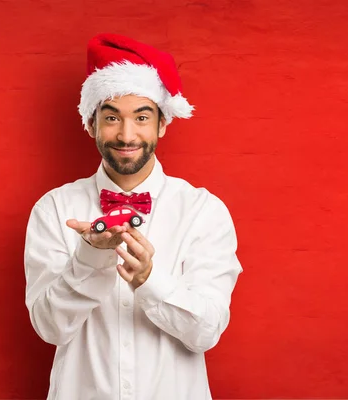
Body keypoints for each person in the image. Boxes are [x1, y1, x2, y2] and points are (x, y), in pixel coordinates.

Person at [23, 33, 243, 400]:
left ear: (161, 124)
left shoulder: (203, 211)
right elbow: (49, 328)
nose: (127, 134)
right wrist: (89, 259)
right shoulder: (54, 209)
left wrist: (149, 279)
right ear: (91, 124)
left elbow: (206, 332)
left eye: (141, 117)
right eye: (112, 118)